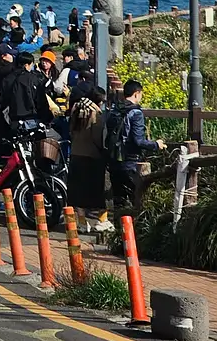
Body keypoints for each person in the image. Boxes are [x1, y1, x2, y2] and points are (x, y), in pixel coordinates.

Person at [104, 78, 166, 215]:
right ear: (136, 94)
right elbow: (138, 141)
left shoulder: (114, 110)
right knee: (136, 199)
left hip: (114, 160)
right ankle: (133, 232)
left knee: (119, 200)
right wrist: (156, 144)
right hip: (130, 161)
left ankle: (119, 230)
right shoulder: (136, 113)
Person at [68, 85, 110, 233]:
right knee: (97, 190)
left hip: (76, 154)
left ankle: (81, 222)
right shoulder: (95, 114)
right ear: (99, 101)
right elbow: (98, 138)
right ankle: (102, 220)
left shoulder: (76, 108)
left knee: (78, 191)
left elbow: (71, 131)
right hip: (92, 156)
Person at [2, 51, 52, 130]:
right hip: (30, 118)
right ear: (26, 65)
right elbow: (40, 101)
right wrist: (48, 118)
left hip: (11, 119)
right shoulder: (32, 79)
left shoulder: (8, 78)